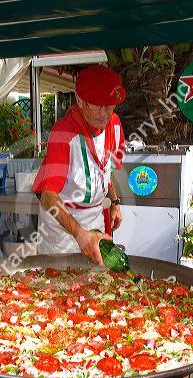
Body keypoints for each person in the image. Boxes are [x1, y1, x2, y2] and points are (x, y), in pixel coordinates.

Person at [32, 65, 126, 266]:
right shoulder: (64, 133)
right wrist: (79, 234)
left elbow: (104, 170)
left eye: (109, 106)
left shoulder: (115, 125)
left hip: (94, 219)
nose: (103, 114)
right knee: (58, 284)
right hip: (61, 226)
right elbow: (48, 195)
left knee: (97, 281)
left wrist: (115, 202)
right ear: (80, 100)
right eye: (96, 105)